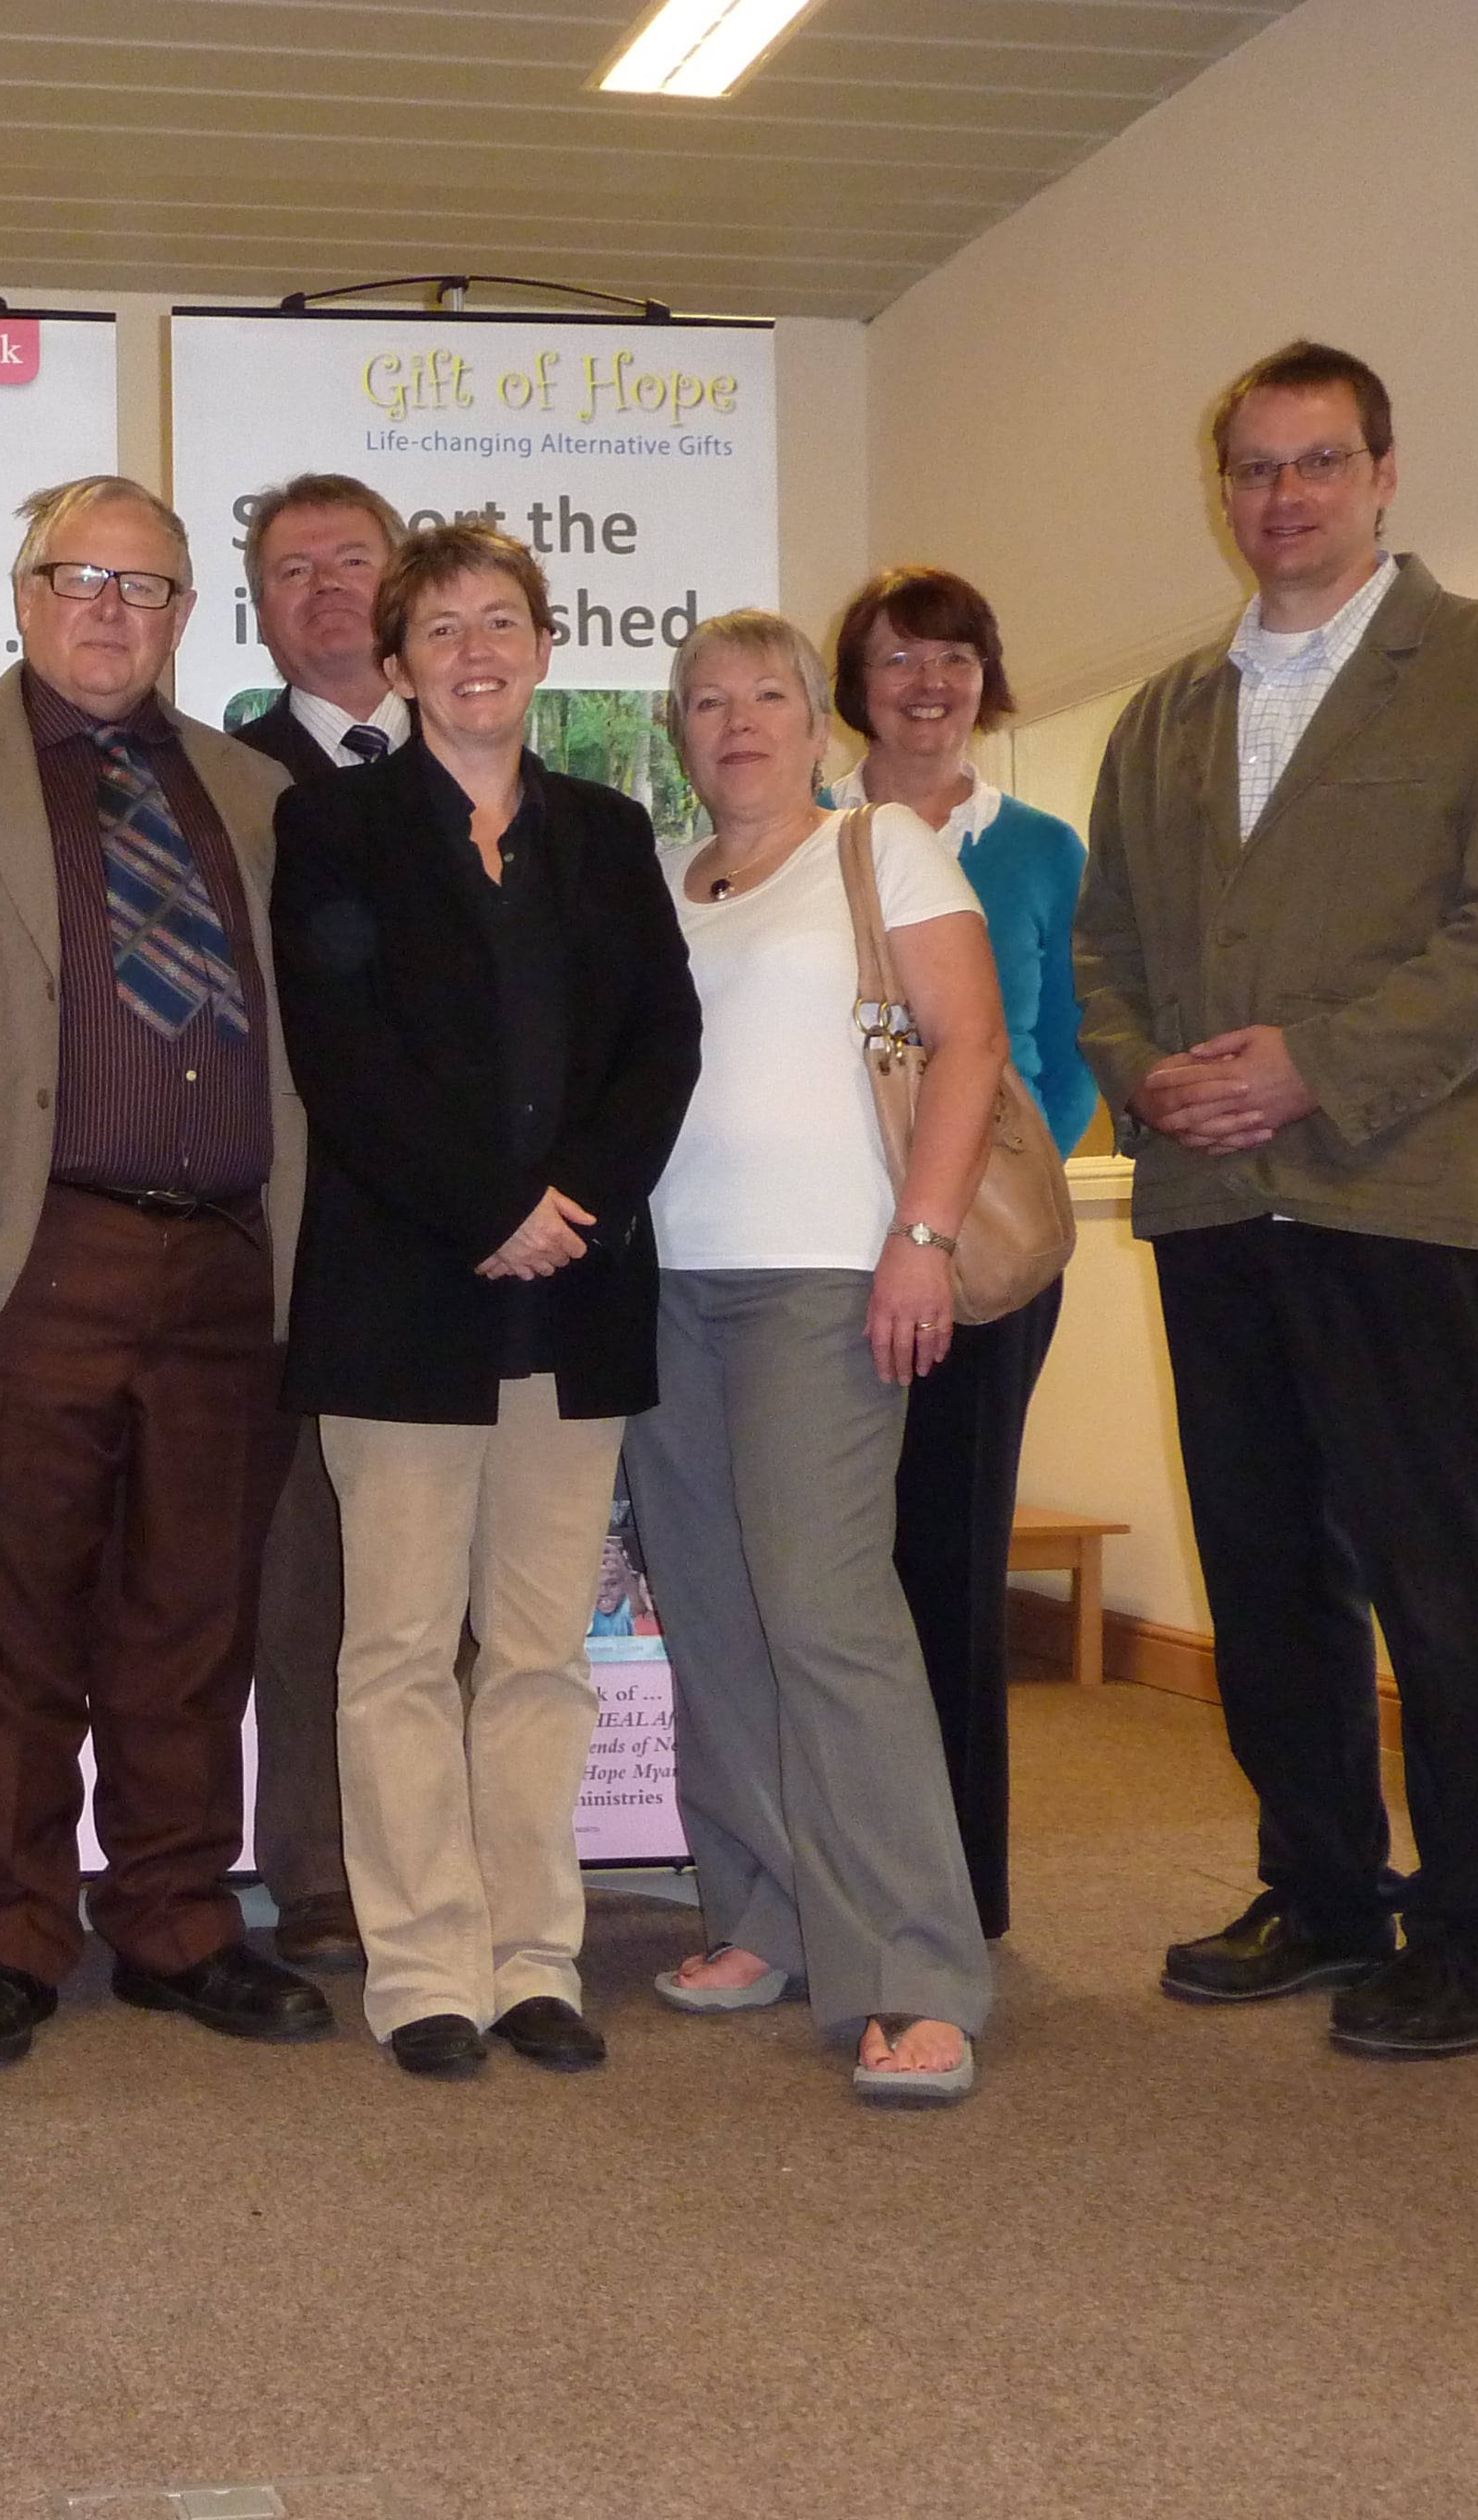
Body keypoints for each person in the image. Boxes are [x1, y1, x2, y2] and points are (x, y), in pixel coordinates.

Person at [1078, 341, 1478, 2059]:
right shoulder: (1168, 711)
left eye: (1317, 464)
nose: (1282, 497)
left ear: (1384, 475)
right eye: (1253, 469)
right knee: (1265, 1568)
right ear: (1220, 489)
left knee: (1441, 1571)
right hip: (1213, 1209)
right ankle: (1317, 1888)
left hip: (1392, 1194)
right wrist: (1143, 1071)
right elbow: (1107, 950)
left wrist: (1316, 1063)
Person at [0, 474, 331, 2068]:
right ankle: (8, 1934)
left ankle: (183, 1924)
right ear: (23, 590)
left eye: (150, 588)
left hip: (223, 1274)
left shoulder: (255, 792)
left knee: (192, 1620)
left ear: (190, 616)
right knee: (10, 1628)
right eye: (82, 578)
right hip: (10, 1253)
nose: (113, 611)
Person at [272, 522, 699, 2079]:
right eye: (440, 627)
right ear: (397, 664)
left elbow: (664, 1039)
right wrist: (490, 1209)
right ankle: (425, 1969)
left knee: (537, 1654)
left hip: (573, 1298)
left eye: (501, 621)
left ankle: (536, 1960)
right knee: (392, 1649)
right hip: (405, 1298)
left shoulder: (604, 828)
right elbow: (348, 1062)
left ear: (541, 645)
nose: (474, 651)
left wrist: (573, 1208)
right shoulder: (340, 831)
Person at [623, 608, 999, 2107]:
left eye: (767, 695)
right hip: (670, 1288)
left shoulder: (880, 851)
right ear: (681, 731)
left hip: (825, 1282)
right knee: (713, 1617)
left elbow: (966, 1044)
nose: (738, 722)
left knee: (830, 1615)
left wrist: (924, 1238)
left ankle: (919, 1968)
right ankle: (766, 1916)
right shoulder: (666, 880)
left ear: (817, 720)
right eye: (707, 701)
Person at [828, 566, 1095, 1940]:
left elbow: (1066, 1054)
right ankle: (833, 1872)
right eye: (895, 661)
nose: (927, 685)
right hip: (821, 1257)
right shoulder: (803, 838)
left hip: (980, 1267)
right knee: (830, 1566)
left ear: (987, 676)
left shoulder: (1043, 850)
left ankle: (958, 1891)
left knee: (950, 1559)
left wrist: (971, 1193)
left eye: (953, 658)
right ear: (853, 687)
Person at [223, 470, 415, 1976]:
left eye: (355, 560)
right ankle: (319, 1865)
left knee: (469, 1570)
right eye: (294, 570)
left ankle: (455, 1846)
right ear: (259, 607)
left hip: (479, 1243)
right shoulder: (222, 783)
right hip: (297, 1231)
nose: (328, 588)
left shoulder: (497, 756)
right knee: (311, 1571)